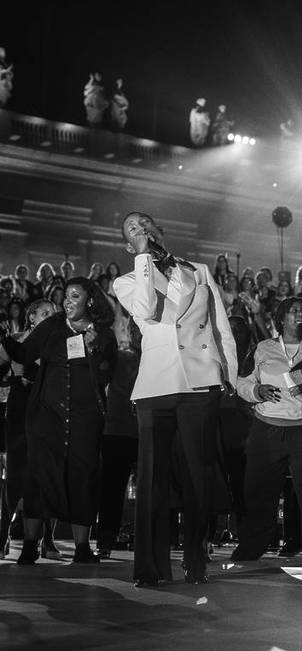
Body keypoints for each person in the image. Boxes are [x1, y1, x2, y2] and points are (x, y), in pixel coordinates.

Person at [112, 211, 237, 586]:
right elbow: (147, 309)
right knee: (153, 479)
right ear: (128, 245)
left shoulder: (198, 271)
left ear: (158, 230)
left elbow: (220, 326)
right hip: (156, 384)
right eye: (132, 229)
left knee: (198, 476)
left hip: (200, 382)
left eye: (144, 224)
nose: (140, 229)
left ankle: (196, 558)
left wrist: (228, 373)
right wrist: (143, 258)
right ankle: (151, 567)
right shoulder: (126, 280)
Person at [1, 279, 116, 564]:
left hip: (84, 418)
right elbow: (25, 354)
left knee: (82, 477)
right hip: (46, 415)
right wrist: (4, 338)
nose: (67, 301)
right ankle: (30, 547)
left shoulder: (103, 334)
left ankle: (82, 548)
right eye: (66, 296)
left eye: (75, 296)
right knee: (38, 477)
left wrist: (95, 349)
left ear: (90, 300)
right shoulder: (52, 325)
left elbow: (107, 373)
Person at [231, 297, 302, 563]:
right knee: (258, 490)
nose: (300, 313)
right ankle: (251, 547)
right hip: (267, 427)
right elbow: (242, 383)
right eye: (293, 310)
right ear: (281, 318)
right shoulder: (263, 348)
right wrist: (257, 391)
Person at [0, 299, 57, 556]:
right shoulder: (15, 339)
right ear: (31, 316)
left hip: (45, 409)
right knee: (15, 474)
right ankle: (4, 534)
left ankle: (46, 539)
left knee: (45, 472)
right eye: (44, 313)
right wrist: (13, 377)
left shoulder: (57, 342)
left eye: (52, 313)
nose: (50, 316)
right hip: (18, 409)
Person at [95, 320, 142, 557]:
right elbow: (99, 380)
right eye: (135, 329)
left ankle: (146, 540)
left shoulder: (158, 358)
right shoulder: (121, 357)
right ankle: (105, 540)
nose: (138, 333)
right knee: (112, 490)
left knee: (148, 489)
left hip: (145, 431)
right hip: (118, 429)